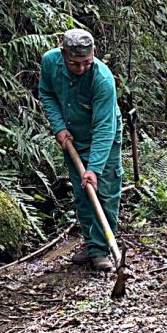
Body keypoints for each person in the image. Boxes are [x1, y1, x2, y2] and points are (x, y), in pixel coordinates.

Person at [38, 28, 124, 272]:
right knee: (82, 194)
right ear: (63, 53)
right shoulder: (50, 62)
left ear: (94, 53)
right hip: (72, 137)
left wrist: (94, 168)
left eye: (87, 62)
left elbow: (105, 128)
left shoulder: (102, 79)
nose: (82, 68)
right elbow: (47, 93)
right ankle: (92, 243)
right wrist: (58, 127)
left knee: (103, 191)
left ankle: (101, 249)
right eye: (75, 64)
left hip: (103, 137)